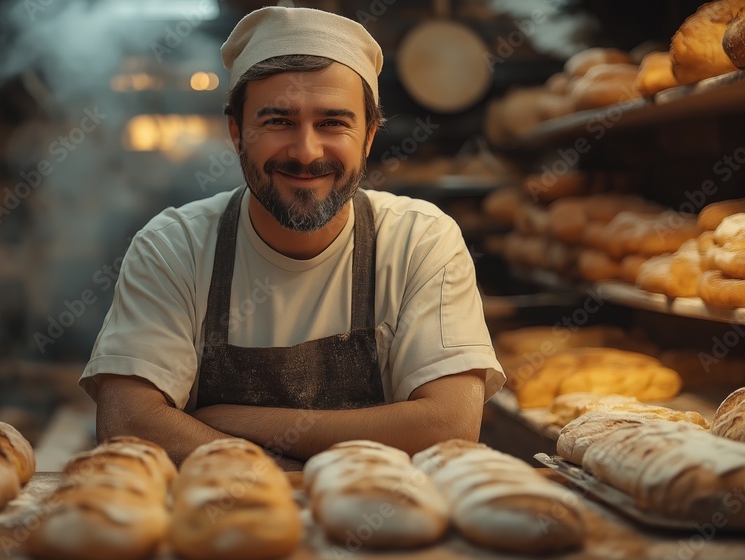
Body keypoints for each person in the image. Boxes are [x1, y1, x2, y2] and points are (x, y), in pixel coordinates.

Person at [80, 6, 505, 470]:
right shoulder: (173, 246)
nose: (306, 152)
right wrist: (282, 478)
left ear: (367, 138)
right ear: (236, 132)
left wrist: (234, 421)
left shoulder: (420, 241)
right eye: (278, 121)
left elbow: (449, 427)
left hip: (381, 529)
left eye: (333, 123)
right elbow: (127, 422)